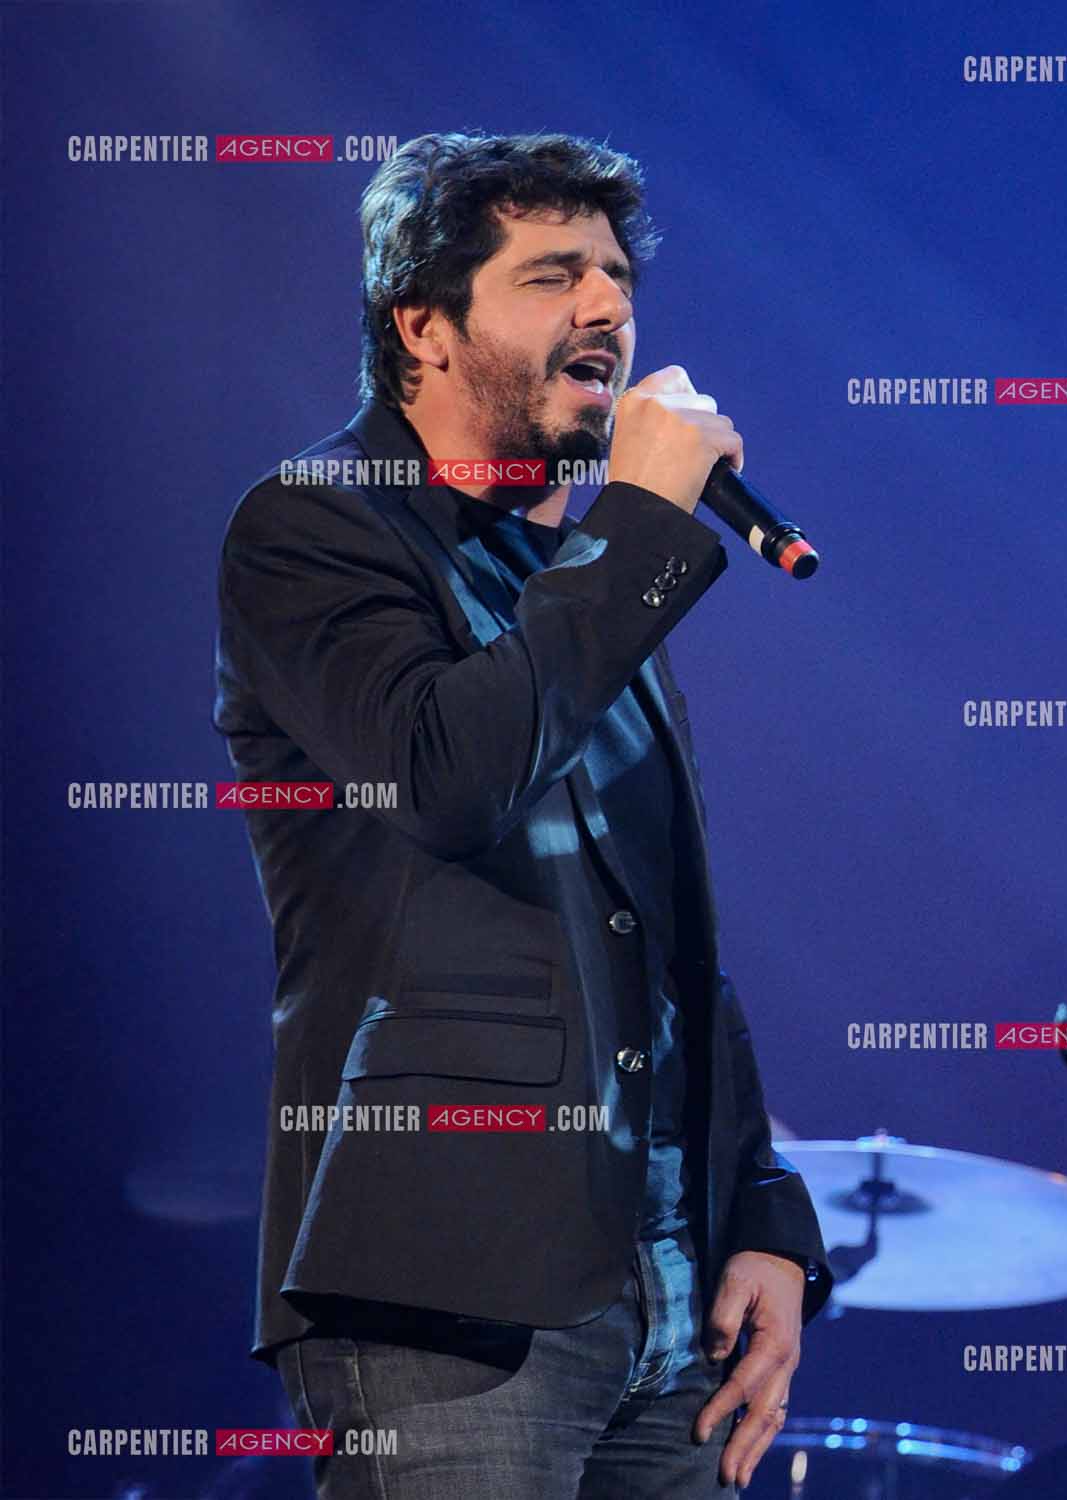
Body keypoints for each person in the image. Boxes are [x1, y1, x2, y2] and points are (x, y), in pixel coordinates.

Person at [213, 132, 826, 1498]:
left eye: (615, 273)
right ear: (422, 327)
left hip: (672, 1305)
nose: (607, 306)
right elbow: (444, 777)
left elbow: (671, 951)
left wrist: (767, 1219)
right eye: (553, 275)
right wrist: (641, 531)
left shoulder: (579, 578)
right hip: (453, 1305)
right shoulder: (317, 527)